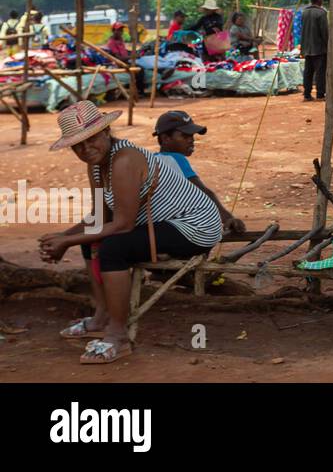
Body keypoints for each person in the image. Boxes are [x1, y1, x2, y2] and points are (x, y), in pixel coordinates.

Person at [37, 101, 222, 365]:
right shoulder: (97, 165)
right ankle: (101, 316)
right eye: (77, 145)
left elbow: (122, 225)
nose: (86, 149)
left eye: (91, 140)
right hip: (161, 223)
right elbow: (99, 218)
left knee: (114, 248)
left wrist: (66, 240)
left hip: (195, 226)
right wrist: (63, 238)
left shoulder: (124, 160)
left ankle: (117, 335)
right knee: (92, 240)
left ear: (106, 131)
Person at [153, 110, 245, 234]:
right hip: (169, 228)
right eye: (184, 136)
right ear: (165, 138)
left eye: (191, 136)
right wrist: (228, 218)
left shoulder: (152, 159)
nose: (191, 140)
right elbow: (203, 193)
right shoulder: (176, 159)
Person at [300, 0, 329, 101]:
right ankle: (320, 94)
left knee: (308, 71)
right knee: (320, 72)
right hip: (319, 48)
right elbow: (324, 32)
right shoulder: (321, 13)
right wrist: (328, 45)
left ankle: (307, 94)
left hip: (307, 47)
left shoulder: (304, 12)